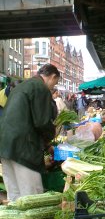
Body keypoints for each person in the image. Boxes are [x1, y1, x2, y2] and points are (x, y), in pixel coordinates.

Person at [0, 63, 60, 201]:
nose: (53, 87)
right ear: (52, 76)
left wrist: (47, 145)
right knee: (31, 197)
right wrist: (51, 135)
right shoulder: (40, 88)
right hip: (23, 148)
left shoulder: (22, 86)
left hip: (5, 145)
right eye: (54, 83)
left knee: (14, 195)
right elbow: (42, 122)